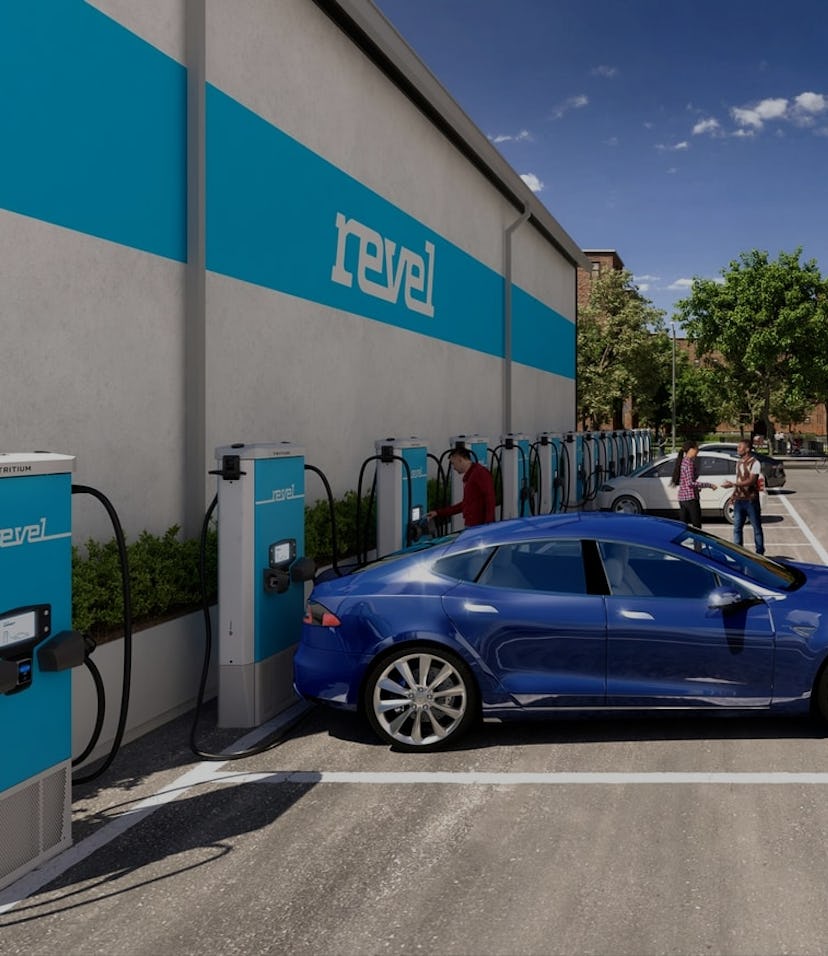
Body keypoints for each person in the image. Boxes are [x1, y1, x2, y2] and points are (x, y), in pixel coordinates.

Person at [427, 446, 495, 528]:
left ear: (460, 459)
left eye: (453, 463)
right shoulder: (470, 476)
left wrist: (488, 526)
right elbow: (465, 504)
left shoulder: (480, 473)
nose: (453, 467)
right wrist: (438, 512)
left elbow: (490, 498)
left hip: (478, 527)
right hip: (473, 525)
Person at [722, 440, 765, 554]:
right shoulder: (739, 462)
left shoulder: (755, 463)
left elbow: (751, 481)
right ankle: (739, 552)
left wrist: (733, 484)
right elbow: (739, 480)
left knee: (756, 528)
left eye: (740, 447)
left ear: (747, 449)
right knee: (737, 528)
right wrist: (733, 494)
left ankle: (760, 553)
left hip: (750, 500)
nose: (738, 449)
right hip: (739, 500)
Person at [670, 440, 717, 528]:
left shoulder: (683, 461)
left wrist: (696, 487)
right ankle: (697, 542)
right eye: (696, 449)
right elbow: (690, 483)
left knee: (683, 526)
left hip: (682, 497)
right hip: (690, 498)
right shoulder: (689, 463)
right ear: (691, 449)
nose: (698, 451)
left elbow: (685, 481)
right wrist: (709, 485)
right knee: (696, 526)